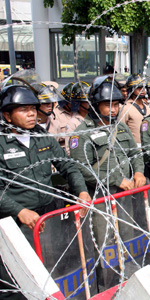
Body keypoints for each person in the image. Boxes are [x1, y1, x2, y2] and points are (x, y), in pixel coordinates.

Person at [0, 84, 91, 299]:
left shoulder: (41, 136)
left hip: (47, 218)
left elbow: (66, 165)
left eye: (33, 108)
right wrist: (19, 210)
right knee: (16, 280)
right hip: (16, 224)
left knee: (49, 272)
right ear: (7, 115)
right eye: (23, 110)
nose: (32, 113)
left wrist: (82, 191)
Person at [69, 75, 145, 286]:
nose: (113, 109)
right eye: (107, 105)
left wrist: (138, 171)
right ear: (96, 105)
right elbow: (82, 168)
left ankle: (127, 276)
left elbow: (135, 153)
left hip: (124, 196)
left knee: (127, 235)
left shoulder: (120, 127)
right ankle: (107, 285)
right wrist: (116, 178)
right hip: (101, 198)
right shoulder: (81, 134)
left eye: (116, 104)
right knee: (104, 242)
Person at [117, 74, 150, 146]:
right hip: (134, 148)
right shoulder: (125, 108)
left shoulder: (148, 108)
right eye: (138, 88)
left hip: (149, 146)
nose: (142, 90)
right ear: (131, 89)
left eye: (143, 87)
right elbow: (120, 130)